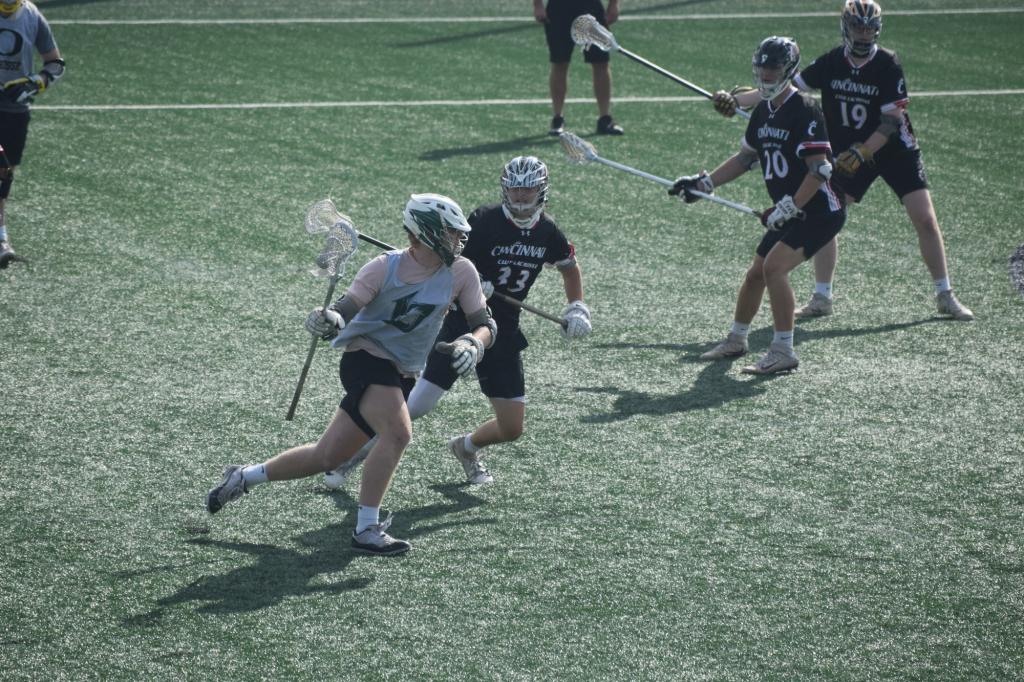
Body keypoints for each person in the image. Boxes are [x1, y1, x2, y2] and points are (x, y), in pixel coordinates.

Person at [204, 194, 496, 556]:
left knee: (326, 457)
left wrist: (473, 343)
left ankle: (243, 477)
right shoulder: (382, 268)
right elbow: (345, 310)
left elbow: (485, 325)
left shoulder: (462, 272)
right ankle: (366, 529)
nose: (460, 239)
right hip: (365, 358)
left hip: (403, 373)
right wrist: (327, 320)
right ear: (427, 232)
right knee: (398, 433)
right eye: (452, 232)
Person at [323, 156, 592, 489]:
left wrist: (576, 306)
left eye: (528, 189)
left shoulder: (548, 231)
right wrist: (475, 280)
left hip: (502, 331)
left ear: (542, 190)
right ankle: (349, 459)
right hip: (460, 326)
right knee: (414, 407)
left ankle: (465, 448)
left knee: (512, 428)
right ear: (505, 189)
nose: (521, 196)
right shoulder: (485, 220)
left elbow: (569, 267)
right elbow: (446, 258)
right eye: (515, 189)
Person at [710, 0, 973, 321]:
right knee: (828, 213)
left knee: (925, 218)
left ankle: (945, 294)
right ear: (845, 27)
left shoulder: (887, 64)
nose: (863, 34)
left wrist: (864, 152)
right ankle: (822, 296)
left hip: (893, 151)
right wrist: (736, 100)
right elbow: (785, 87)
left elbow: (891, 122)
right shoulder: (832, 62)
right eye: (857, 27)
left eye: (869, 28)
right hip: (848, 154)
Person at [671, 36, 846, 374]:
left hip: (820, 210)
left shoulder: (805, 109)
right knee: (756, 274)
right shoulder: (763, 111)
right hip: (790, 209)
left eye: (774, 69)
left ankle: (783, 351)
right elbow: (745, 158)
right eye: (762, 68)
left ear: (789, 69)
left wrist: (789, 207)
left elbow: (820, 170)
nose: (766, 75)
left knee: (774, 269)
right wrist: (705, 184)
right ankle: (737, 339)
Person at [0, 0, 66, 268]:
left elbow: (55, 63)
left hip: (15, 110)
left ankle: (1, 237)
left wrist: (34, 84)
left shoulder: (31, 15)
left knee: (4, 174)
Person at [534, 0, 624, 136]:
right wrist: (538, 5)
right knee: (559, 62)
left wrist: (613, 4)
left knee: (601, 62)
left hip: (591, 6)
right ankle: (557, 119)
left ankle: (605, 118)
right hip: (559, 7)